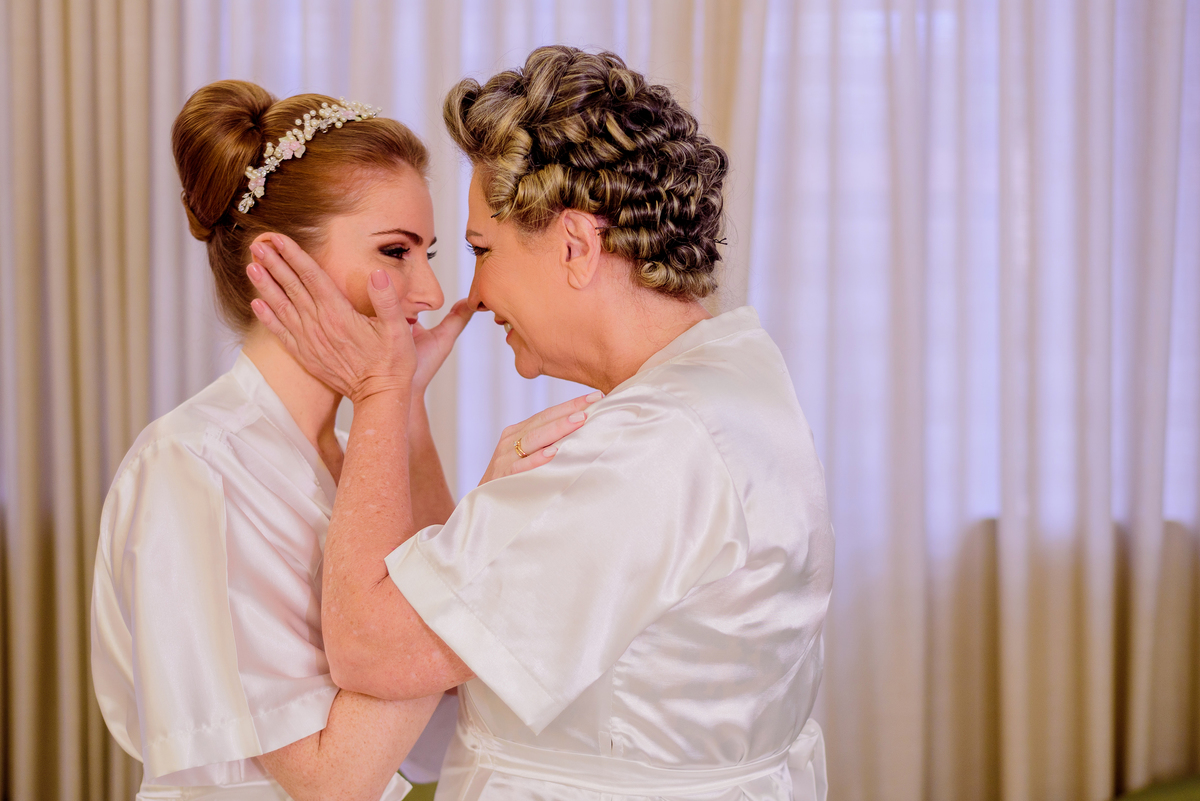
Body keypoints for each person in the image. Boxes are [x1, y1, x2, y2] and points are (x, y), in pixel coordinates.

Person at [247, 46, 835, 801]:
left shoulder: (642, 451)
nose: (473, 293)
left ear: (576, 246)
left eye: (481, 250)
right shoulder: (732, 377)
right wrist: (408, 411)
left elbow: (371, 649)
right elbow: (460, 613)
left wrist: (379, 391)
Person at [90, 79, 592, 801]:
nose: (430, 292)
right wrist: (484, 519)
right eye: (395, 251)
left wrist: (403, 411)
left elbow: (446, 711)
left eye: (428, 253)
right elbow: (335, 779)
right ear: (278, 261)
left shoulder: (357, 450)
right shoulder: (193, 470)